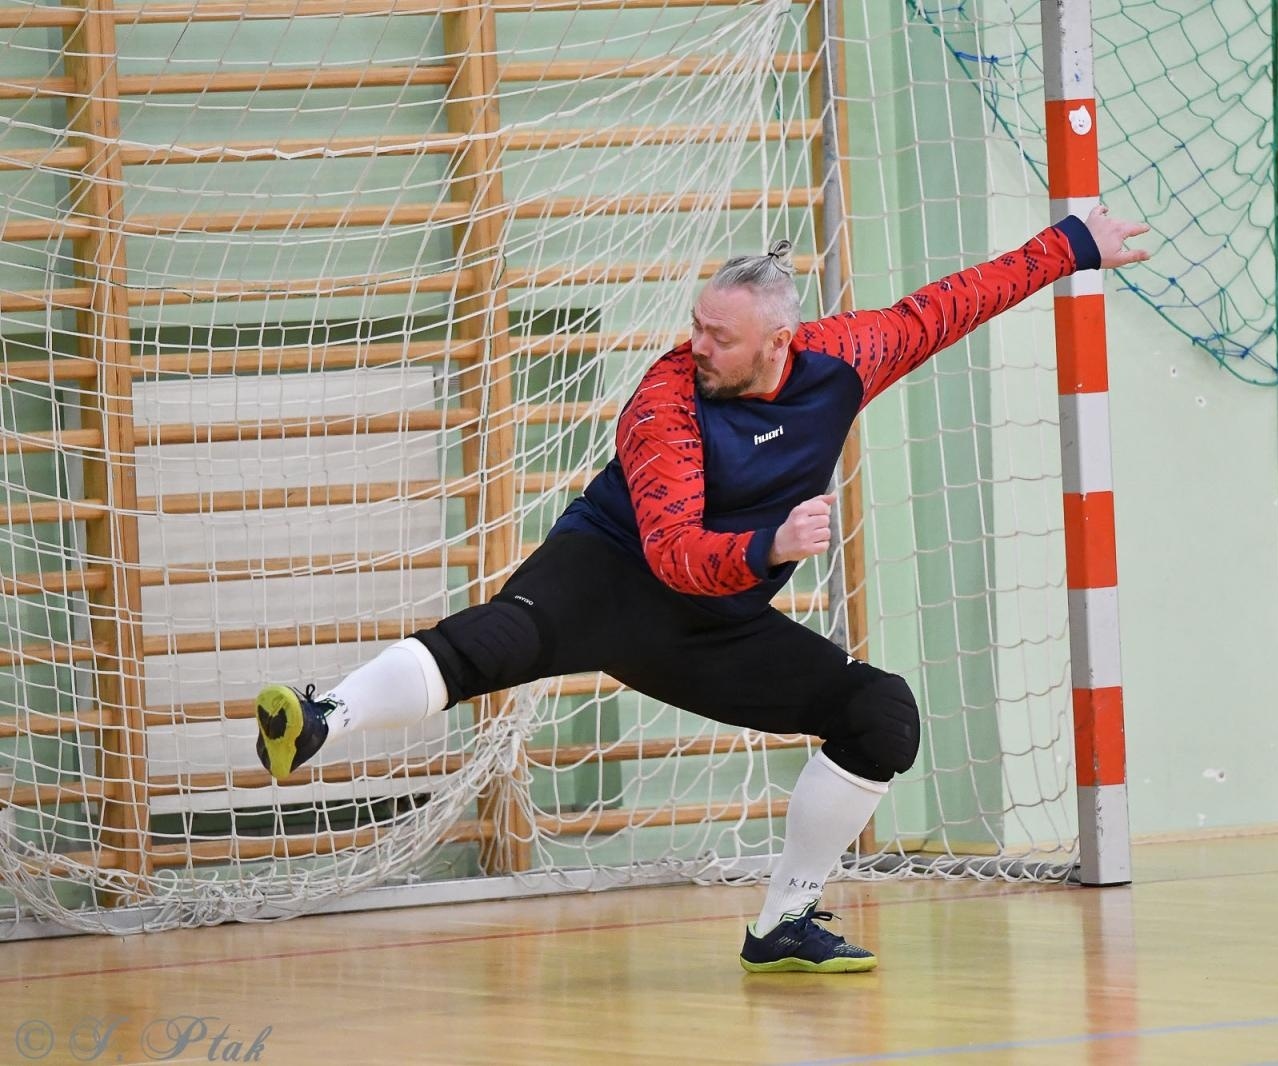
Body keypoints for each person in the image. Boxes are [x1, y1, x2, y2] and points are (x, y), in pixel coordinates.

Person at [253, 204, 1150, 973]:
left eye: (720, 335)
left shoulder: (844, 359)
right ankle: (323, 716)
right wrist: (772, 543)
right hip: (611, 571)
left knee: (881, 715)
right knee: (500, 642)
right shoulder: (664, 402)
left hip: (714, 625)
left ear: (779, 341)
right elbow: (676, 552)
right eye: (696, 325)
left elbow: (944, 308)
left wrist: (1072, 242)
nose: (699, 345)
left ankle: (783, 922)